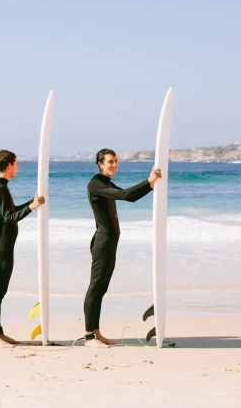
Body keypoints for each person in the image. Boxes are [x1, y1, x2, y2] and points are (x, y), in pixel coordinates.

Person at [83, 149, 161, 348]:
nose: (114, 165)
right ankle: (89, 337)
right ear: (100, 164)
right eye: (110, 162)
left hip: (110, 243)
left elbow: (131, 197)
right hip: (102, 243)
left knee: (101, 289)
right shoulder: (96, 184)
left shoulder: (106, 183)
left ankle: (96, 332)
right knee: (95, 288)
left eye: (116, 161)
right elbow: (125, 195)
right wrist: (149, 181)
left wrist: (151, 185)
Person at [0, 150, 45, 347]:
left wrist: (31, 203)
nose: (18, 167)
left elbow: (10, 211)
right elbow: (9, 218)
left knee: (0, 290)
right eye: (16, 163)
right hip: (1, 246)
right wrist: (32, 207)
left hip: (3, 244)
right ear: (9, 165)